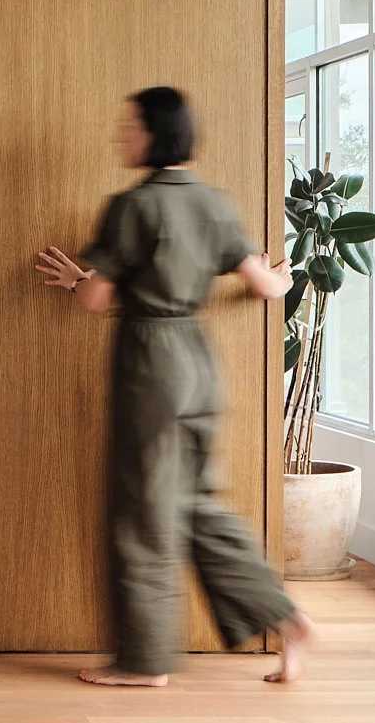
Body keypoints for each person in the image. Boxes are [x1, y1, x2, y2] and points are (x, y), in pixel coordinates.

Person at [33, 86, 316, 688]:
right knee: (191, 503)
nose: (120, 136)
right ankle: (282, 616)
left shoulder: (132, 207)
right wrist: (274, 270)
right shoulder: (214, 204)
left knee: (142, 511)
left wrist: (76, 280)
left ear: (155, 133)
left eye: (128, 126)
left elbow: (95, 298)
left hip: (151, 363)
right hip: (200, 362)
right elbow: (267, 287)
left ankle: (143, 662)